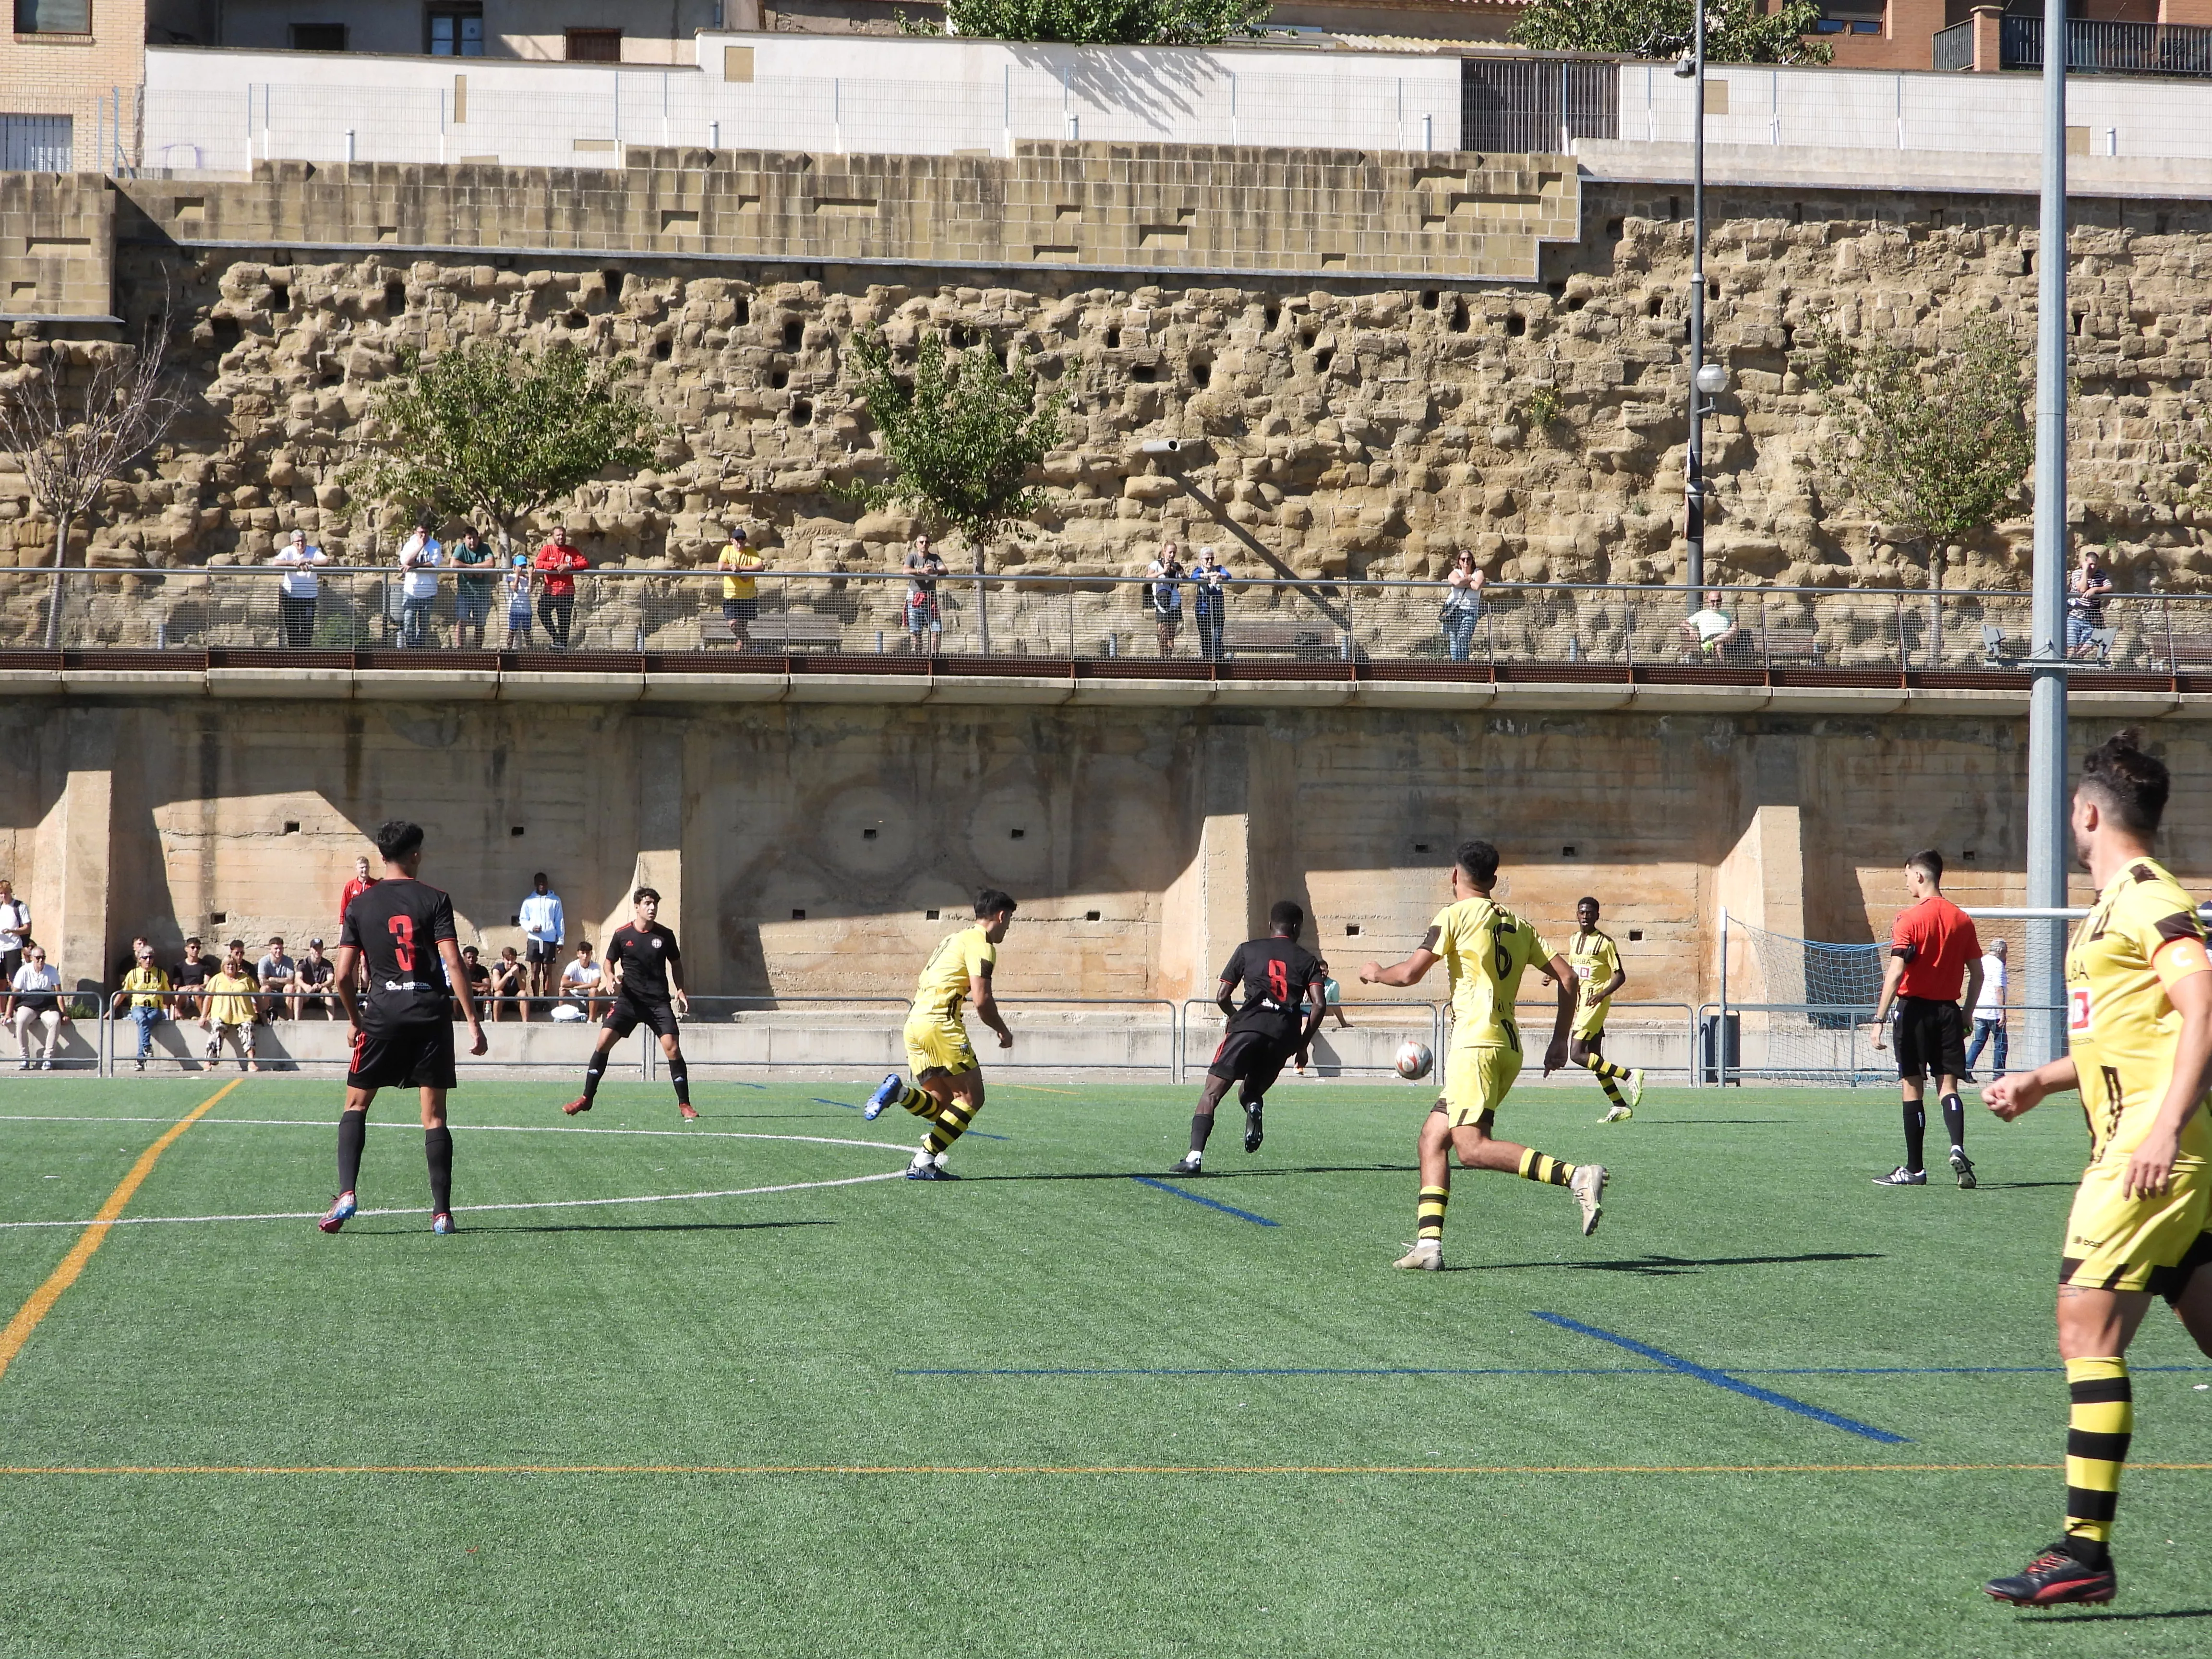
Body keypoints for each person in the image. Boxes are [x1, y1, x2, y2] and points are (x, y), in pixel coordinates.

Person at [1980, 729, 2212, 1608]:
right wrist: (2041, 1079)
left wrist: (2162, 1129)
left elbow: (2201, 1006)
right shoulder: (2111, 907)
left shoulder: (2149, 899)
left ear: (2085, 812)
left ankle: (2084, 1551)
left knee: (2084, 1328)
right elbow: (2129, 1034)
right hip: (2157, 1148)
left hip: (2147, 1156)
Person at [1360, 840, 1606, 1269]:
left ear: (1454, 876)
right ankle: (1429, 1246)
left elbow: (1411, 974)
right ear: (1494, 881)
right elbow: (1569, 979)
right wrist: (1559, 1041)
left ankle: (1576, 1176)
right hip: (1507, 1047)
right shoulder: (1518, 923)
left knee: (1471, 1148)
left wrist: (1377, 973)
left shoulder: (1453, 915)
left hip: (1475, 1045)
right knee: (1432, 1138)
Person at [319, 820, 487, 1237]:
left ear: (381, 856)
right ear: (416, 854)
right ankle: (442, 1213)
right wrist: (472, 1022)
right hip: (430, 1015)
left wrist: (356, 1021)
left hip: (381, 1015)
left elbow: (342, 976)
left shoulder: (359, 905)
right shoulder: (436, 899)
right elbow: (453, 963)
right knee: (434, 1118)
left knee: (356, 1106)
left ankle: (347, 1193)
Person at [863, 889, 1018, 1180]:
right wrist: (1002, 1030)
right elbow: (982, 1000)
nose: (1008, 927)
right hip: (940, 1024)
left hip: (914, 1024)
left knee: (944, 1107)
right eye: (1009, 920)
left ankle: (899, 1092)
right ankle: (923, 1160)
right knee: (972, 1099)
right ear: (1001, 915)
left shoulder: (952, 939)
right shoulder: (982, 944)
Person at [1168, 900, 1328, 1176]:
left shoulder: (1248, 949)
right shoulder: (1308, 960)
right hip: (1284, 1035)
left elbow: (1222, 997)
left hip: (1248, 1027)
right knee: (1250, 1091)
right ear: (1296, 928)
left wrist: (1235, 1016)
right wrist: (1302, 1045)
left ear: (1270, 926)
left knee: (1212, 1093)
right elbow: (1320, 1005)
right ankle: (1253, 1106)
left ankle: (1194, 1158)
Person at [1870, 850, 1985, 1189]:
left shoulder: (1909, 919)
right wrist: (1965, 1014)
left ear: (1920, 876)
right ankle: (1957, 1147)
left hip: (1915, 1012)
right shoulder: (1962, 919)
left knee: (1912, 1088)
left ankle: (1915, 1169)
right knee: (1948, 1087)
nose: (1906, 883)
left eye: (1906, 876)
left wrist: (1878, 1019)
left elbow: (1896, 972)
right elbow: (1978, 975)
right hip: (1949, 1012)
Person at [561, 887, 696, 1121]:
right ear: (637, 907)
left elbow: (676, 964)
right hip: (629, 1001)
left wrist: (681, 989)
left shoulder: (665, 935)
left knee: (672, 1048)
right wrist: (611, 977)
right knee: (603, 1042)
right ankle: (586, 1098)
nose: (652, 908)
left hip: (657, 1002)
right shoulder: (623, 934)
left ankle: (684, 1103)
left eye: (655, 904)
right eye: (647, 903)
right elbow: (608, 962)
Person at [1565, 896, 1646, 1124]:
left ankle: (1629, 1075)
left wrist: (1602, 994)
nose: (1585, 916)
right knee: (1595, 1059)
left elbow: (1620, 975)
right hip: (1581, 1004)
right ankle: (1620, 1106)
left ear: (1597, 916)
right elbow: (1574, 970)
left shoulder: (1605, 943)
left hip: (1595, 1004)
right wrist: (1553, 976)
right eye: (1582, 912)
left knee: (1577, 1054)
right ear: (1577, 914)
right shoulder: (1573, 940)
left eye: (1590, 912)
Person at [111, 943, 174, 1072]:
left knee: (145, 1023)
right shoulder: (133, 974)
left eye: (151, 958)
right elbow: (123, 993)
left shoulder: (161, 973)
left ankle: (141, 1057)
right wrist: (111, 1009)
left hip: (155, 1008)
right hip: (138, 1007)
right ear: (140, 960)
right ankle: (146, 1049)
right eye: (145, 958)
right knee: (141, 1018)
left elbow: (168, 993)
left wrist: (175, 1009)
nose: (148, 961)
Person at [201, 940, 259, 1073]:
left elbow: (258, 995)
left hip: (243, 1014)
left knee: (248, 1030)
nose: (231, 967)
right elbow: (208, 998)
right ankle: (208, 1061)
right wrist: (204, 1016)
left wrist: (262, 1013)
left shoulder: (246, 978)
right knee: (216, 1030)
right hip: (222, 1014)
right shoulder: (217, 979)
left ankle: (251, 1062)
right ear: (223, 966)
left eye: (233, 965)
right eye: (228, 965)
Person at [8, 944, 66, 1070]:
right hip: (29, 1002)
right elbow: (14, 994)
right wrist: (8, 1014)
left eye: (43, 958)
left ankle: (48, 1059)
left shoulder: (52, 970)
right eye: (38, 958)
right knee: (21, 1019)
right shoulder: (24, 970)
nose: (41, 961)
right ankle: (24, 1058)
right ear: (32, 958)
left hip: (47, 1003)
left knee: (55, 1020)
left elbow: (59, 994)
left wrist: (64, 1014)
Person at [271, 529, 328, 649]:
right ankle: (294, 657)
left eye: (302, 541)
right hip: (291, 597)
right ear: (292, 543)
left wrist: (309, 560)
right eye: (297, 542)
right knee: (292, 629)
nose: (300, 544)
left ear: (306, 541)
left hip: (309, 597)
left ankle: (305, 656)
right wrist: (294, 563)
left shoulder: (313, 551)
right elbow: (275, 563)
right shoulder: (288, 551)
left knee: (307, 629)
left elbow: (326, 560)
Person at [534, 526, 588, 649]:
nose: (561, 537)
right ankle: (556, 638)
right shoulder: (547, 550)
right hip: (550, 591)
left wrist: (569, 566)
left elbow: (584, 563)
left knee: (564, 622)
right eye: (558, 535)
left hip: (566, 592)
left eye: (563, 535)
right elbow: (539, 563)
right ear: (553, 537)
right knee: (542, 612)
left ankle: (561, 649)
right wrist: (555, 566)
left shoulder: (572, 550)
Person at [1966, 938, 2010, 1082]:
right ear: (2001, 951)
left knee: (1978, 1041)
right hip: (1993, 1012)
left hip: (1980, 1009)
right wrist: (2002, 1011)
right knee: (2001, 1044)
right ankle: (1998, 1074)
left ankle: (1966, 1069)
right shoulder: (1998, 965)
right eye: (2005, 953)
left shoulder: (1982, 961)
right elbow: (1999, 989)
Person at [397, 518, 444, 649]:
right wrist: (420, 546)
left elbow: (434, 563)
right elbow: (406, 561)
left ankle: (420, 649)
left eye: (426, 533)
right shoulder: (410, 545)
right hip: (411, 591)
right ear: (416, 532)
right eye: (421, 532)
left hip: (428, 592)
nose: (423, 535)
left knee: (423, 625)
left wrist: (416, 565)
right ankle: (411, 649)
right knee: (408, 622)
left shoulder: (435, 545)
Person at [519, 873, 564, 1006]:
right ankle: (536, 999)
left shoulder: (555, 900)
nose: (541, 884)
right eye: (539, 882)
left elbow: (559, 920)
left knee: (547, 971)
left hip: (549, 940)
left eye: (543, 881)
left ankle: (546, 1000)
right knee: (535, 970)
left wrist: (560, 940)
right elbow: (523, 919)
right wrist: (531, 928)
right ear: (535, 884)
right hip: (534, 939)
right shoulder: (529, 901)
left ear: (547, 883)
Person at [450, 526, 498, 650]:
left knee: (480, 624)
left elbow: (491, 563)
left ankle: (478, 649)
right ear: (464, 539)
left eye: (474, 538)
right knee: (461, 621)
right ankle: (460, 648)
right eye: (469, 538)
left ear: (479, 538)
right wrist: (470, 568)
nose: (472, 541)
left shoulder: (485, 547)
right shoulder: (460, 548)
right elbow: (453, 563)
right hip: (465, 593)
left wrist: (475, 567)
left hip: (482, 593)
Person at [718, 527, 764, 649]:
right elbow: (721, 567)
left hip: (748, 597)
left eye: (742, 539)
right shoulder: (727, 550)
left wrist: (740, 569)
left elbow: (760, 566)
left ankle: (743, 655)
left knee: (741, 631)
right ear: (732, 540)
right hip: (731, 597)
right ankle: (750, 643)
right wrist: (735, 570)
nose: (740, 542)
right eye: (737, 539)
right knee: (734, 625)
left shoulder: (751, 551)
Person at [2067, 546, 2115, 661]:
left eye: (2095, 565)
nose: (2093, 567)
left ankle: (2077, 659)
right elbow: (2082, 589)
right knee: (2072, 646)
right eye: (2091, 564)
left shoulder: (2100, 575)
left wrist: (2095, 590)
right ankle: (2070, 663)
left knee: (2093, 640)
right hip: (2074, 616)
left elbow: (2110, 586)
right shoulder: (2077, 574)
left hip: (2091, 617)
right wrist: (2085, 571)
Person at [1441, 548, 1486, 663]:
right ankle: (1456, 666)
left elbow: (1477, 587)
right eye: (1463, 559)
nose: (1466, 561)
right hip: (1454, 610)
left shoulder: (1478, 572)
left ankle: (1464, 665)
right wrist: (1470, 579)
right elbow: (1455, 582)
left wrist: (1464, 581)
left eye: (1469, 559)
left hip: (1470, 611)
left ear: (1472, 560)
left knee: (1463, 637)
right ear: (1459, 561)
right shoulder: (1456, 572)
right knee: (1454, 640)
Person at [904, 535, 946, 655]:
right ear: (917, 544)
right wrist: (920, 571)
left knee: (936, 630)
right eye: (921, 542)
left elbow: (945, 570)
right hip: (915, 599)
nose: (924, 545)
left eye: (927, 542)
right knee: (916, 633)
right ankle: (918, 657)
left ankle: (934, 656)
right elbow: (905, 571)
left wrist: (934, 572)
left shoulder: (935, 558)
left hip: (930, 599)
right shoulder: (912, 557)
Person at [1144, 541, 1184, 657]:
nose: (1172, 555)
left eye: (1174, 553)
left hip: (1174, 603)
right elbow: (1148, 577)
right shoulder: (1156, 564)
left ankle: (1169, 658)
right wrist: (1163, 571)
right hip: (1162, 603)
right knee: (1163, 634)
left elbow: (1186, 578)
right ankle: (1162, 658)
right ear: (1164, 552)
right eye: (1170, 552)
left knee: (1171, 636)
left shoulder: (1176, 566)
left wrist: (1180, 571)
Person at [1683, 589, 1742, 661]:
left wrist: (1734, 626)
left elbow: (1734, 629)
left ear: (1721, 601)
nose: (1716, 603)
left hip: (1726, 641)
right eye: (1713, 601)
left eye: (1718, 601)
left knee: (1734, 628)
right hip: (1709, 639)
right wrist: (1691, 629)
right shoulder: (1702, 614)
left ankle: (1713, 642)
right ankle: (1721, 668)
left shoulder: (1727, 614)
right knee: (1719, 646)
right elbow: (1683, 623)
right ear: (1708, 601)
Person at [1191, 546, 1228, 661]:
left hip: (1217, 610)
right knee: (1206, 638)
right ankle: (1208, 661)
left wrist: (1218, 575)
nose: (1210, 561)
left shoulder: (1219, 568)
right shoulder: (1199, 570)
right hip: (1203, 610)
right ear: (1201, 560)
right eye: (1207, 559)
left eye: (1212, 558)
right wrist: (1209, 576)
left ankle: (1218, 662)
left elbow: (1228, 575)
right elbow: (1194, 577)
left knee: (1217, 637)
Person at [561, 941, 606, 1020]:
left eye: (588, 953)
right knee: (562, 991)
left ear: (591, 954)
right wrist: (579, 984)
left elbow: (596, 984)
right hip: (575, 998)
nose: (585, 956)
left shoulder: (595, 966)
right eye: (583, 953)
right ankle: (562, 1017)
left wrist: (576, 987)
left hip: (589, 999)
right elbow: (563, 982)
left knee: (594, 991)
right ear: (578, 954)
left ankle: (591, 1019)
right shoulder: (573, 965)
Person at [256, 935, 298, 1022]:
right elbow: (262, 982)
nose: (279, 951)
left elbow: (291, 980)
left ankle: (290, 1018)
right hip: (270, 994)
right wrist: (283, 981)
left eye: (281, 948)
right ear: (270, 949)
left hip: (284, 993)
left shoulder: (288, 961)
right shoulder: (264, 962)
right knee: (265, 989)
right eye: (276, 949)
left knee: (290, 987)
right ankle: (264, 1019)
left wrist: (273, 979)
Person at [296, 938, 338, 1019]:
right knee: (299, 990)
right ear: (310, 950)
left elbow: (331, 980)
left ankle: (332, 1021)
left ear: (323, 950)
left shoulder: (328, 964)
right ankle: (296, 1020)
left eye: (320, 949)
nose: (317, 951)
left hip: (320, 995)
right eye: (315, 949)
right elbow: (298, 979)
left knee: (327, 990)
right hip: (306, 995)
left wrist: (322, 985)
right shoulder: (303, 963)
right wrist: (306, 986)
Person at [174, 934, 210, 1020]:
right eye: (193, 947)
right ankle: (179, 1016)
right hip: (185, 994)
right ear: (186, 949)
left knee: (197, 991)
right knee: (179, 993)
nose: (195, 950)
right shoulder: (179, 966)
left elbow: (207, 983)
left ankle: (203, 1017)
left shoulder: (206, 965)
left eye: (198, 948)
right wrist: (181, 989)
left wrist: (194, 987)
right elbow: (175, 985)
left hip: (198, 992)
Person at [503, 553, 535, 649]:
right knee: (512, 631)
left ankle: (530, 650)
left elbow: (530, 590)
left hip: (526, 610)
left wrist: (530, 576)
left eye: (524, 566)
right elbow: (514, 588)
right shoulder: (511, 577)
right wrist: (517, 575)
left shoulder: (527, 579)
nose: (522, 568)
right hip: (515, 610)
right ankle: (509, 649)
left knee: (527, 631)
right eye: (520, 566)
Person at [486, 946, 526, 1021]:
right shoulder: (497, 969)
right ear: (503, 959)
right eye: (508, 960)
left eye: (513, 960)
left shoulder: (521, 969)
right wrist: (508, 975)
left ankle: (526, 1023)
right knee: (498, 994)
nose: (510, 962)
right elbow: (497, 988)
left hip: (515, 999)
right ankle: (496, 1022)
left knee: (523, 994)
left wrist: (517, 975)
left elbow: (523, 987)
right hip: (502, 1000)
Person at [0, 878, 29, 983]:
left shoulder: (20, 906)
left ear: (11, 892)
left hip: (13, 948)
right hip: (1, 949)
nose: (4, 896)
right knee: (1, 982)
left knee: (15, 981)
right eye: (1, 894)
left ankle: (15, 999)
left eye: (6, 893)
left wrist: (12, 931)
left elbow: (27, 928)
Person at [455, 944, 493, 1022]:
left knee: (487, 994)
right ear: (464, 958)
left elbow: (487, 985)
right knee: (457, 994)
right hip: (464, 997)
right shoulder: (460, 969)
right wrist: (477, 988)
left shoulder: (482, 970)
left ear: (477, 958)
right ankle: (457, 1019)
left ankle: (485, 1019)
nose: (471, 959)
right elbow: (458, 984)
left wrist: (467, 984)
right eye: (469, 957)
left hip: (478, 998)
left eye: (473, 957)